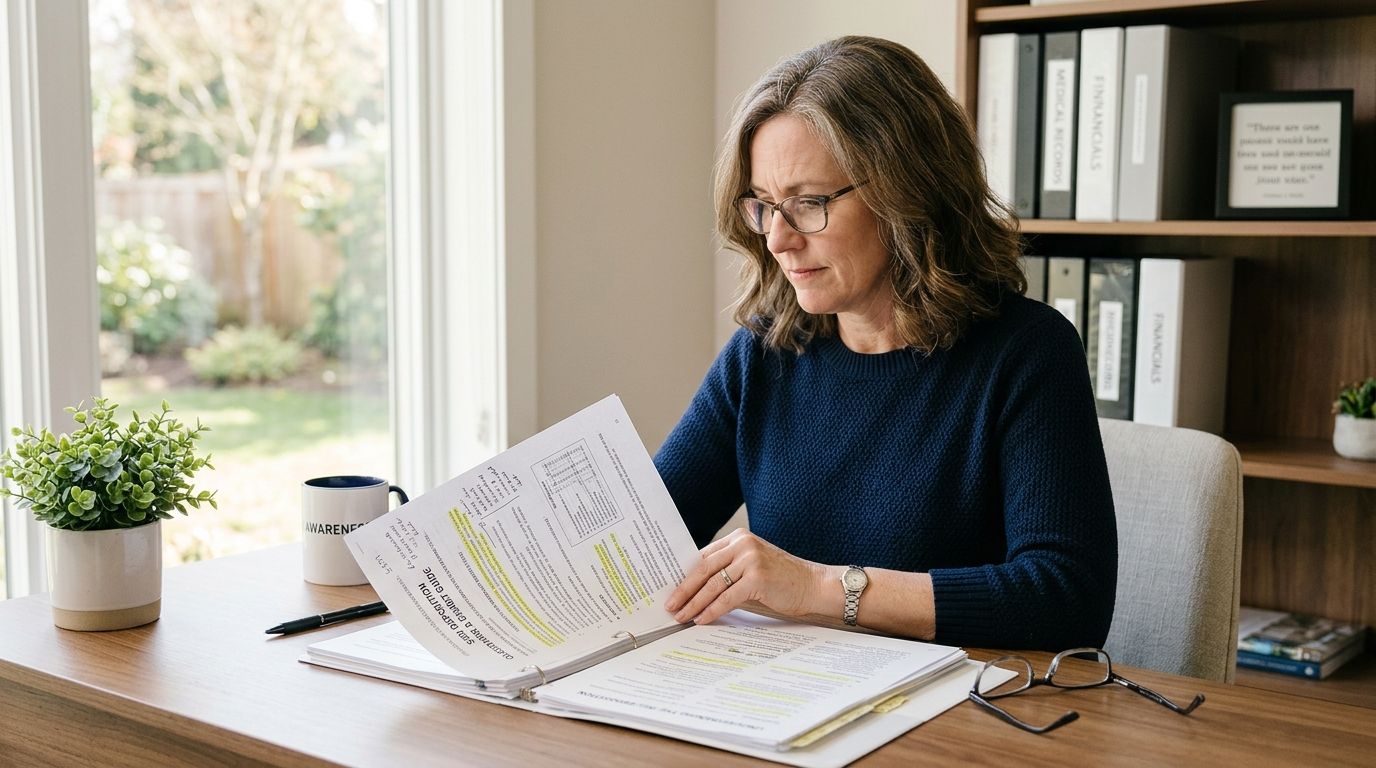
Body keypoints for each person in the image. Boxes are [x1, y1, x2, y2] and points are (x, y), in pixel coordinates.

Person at [654, 36, 1117, 650]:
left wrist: (820, 588)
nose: (778, 240)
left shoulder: (1027, 353)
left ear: (908, 193)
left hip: (959, 723)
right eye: (764, 207)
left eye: (809, 203)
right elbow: (646, 537)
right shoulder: (764, 355)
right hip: (788, 709)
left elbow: (1066, 598)